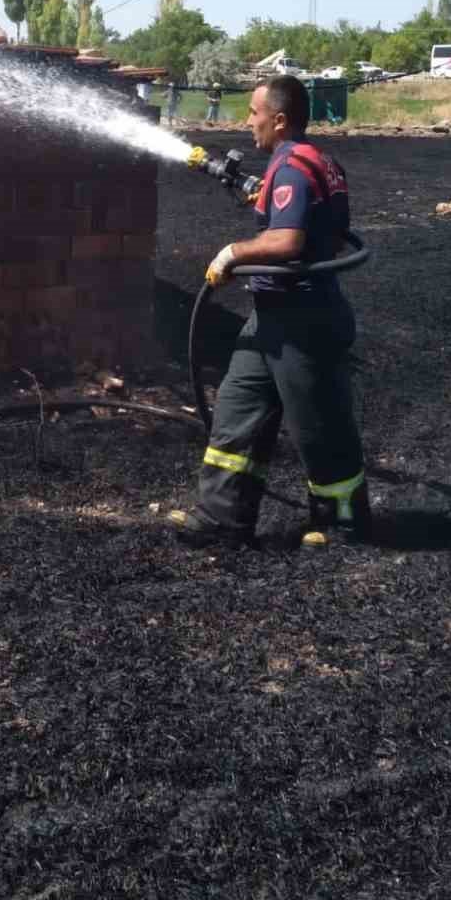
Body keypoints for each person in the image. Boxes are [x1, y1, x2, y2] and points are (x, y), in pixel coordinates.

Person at [168, 74, 369, 552]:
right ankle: (222, 517)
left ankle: (343, 521)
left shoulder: (292, 169)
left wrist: (233, 252)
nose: (248, 121)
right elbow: (322, 226)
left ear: (279, 120)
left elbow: (288, 241)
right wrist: (261, 195)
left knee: (319, 425)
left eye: (254, 113)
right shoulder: (316, 160)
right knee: (237, 407)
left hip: (303, 319)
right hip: (272, 315)